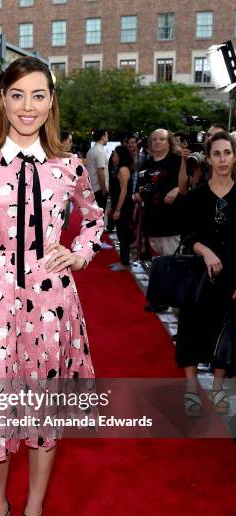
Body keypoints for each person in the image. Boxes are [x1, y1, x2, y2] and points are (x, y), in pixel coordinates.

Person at [0, 57, 104, 516]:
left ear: (51, 102)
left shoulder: (70, 165)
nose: (28, 107)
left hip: (52, 307)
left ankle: (33, 513)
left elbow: (94, 217)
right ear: (2, 99)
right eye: (17, 94)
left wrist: (80, 251)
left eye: (39, 95)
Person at [176, 131, 236, 417]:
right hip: (197, 277)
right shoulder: (198, 196)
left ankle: (218, 387)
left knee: (223, 333)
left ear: (234, 156)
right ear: (209, 158)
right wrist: (205, 250)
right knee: (190, 330)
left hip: (231, 278)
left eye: (227, 152)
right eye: (217, 153)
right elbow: (187, 236)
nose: (223, 159)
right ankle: (190, 387)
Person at [139, 128, 181, 312]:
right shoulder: (145, 165)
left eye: (162, 139)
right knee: (159, 263)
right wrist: (138, 193)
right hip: (152, 220)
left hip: (171, 221)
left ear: (169, 142)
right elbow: (143, 187)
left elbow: (190, 182)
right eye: (154, 139)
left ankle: (172, 299)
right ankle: (162, 299)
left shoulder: (177, 161)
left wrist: (177, 189)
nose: (157, 142)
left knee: (172, 262)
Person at [109, 146, 135, 271]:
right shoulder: (119, 169)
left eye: (114, 155)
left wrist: (118, 209)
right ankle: (123, 261)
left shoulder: (123, 169)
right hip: (120, 205)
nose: (113, 157)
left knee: (123, 234)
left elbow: (124, 191)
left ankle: (125, 263)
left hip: (124, 207)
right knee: (121, 234)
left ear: (120, 156)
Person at [86, 129, 112, 242]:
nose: (108, 138)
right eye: (106, 136)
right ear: (102, 136)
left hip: (93, 186)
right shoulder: (100, 151)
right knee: (99, 216)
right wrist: (104, 189)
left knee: (94, 216)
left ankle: (94, 240)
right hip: (98, 188)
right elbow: (100, 172)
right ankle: (98, 242)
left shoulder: (92, 150)